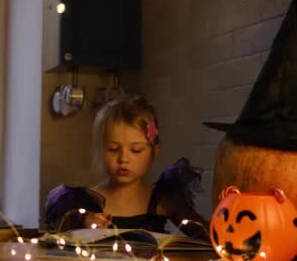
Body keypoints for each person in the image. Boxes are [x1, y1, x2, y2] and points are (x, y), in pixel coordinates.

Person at [44, 94, 208, 239]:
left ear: (154, 151)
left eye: (136, 150)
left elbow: (208, 237)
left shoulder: (164, 201)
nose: (123, 158)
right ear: (101, 149)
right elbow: (58, 233)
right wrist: (84, 222)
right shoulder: (81, 202)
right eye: (113, 149)